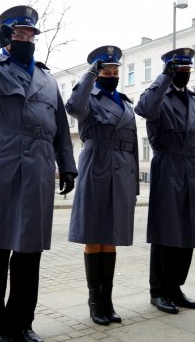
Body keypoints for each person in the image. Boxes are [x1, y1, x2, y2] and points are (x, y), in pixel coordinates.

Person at [0, 5, 77, 342]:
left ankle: (22, 322)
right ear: (7, 36)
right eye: (17, 33)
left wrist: (67, 165)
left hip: (38, 165)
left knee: (28, 249)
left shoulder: (48, 79)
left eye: (29, 33)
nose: (24, 38)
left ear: (35, 37)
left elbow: (61, 128)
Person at [134, 47, 195, 314]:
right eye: (179, 69)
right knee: (166, 232)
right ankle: (158, 291)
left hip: (194, 171)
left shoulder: (193, 101)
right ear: (169, 70)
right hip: (168, 168)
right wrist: (162, 79)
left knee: (190, 233)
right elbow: (144, 109)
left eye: (187, 70)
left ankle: (175, 287)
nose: (184, 74)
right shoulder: (158, 97)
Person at [66, 46, 139, 325]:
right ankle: (95, 301)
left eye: (115, 71)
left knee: (112, 237)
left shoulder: (125, 102)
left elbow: (132, 144)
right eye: (106, 71)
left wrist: (133, 183)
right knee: (94, 235)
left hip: (121, 171)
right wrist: (89, 75)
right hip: (96, 165)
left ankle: (107, 301)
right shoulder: (89, 97)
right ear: (97, 74)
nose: (112, 75)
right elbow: (73, 107)